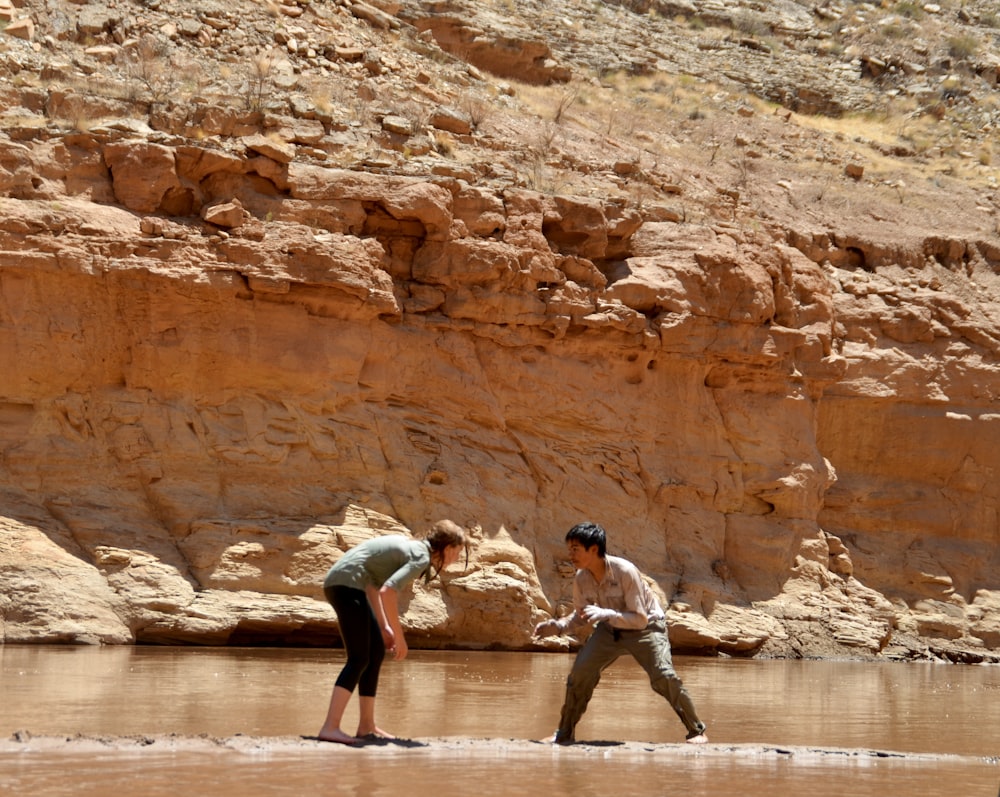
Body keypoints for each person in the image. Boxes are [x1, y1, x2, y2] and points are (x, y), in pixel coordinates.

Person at [533, 521, 708, 745]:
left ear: (593, 549)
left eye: (575, 549)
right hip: (610, 629)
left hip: (646, 629)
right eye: (570, 549)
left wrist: (605, 613)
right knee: (580, 673)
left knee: (663, 676)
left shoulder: (625, 571)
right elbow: (580, 616)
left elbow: (639, 618)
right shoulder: (581, 578)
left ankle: (697, 731)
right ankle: (564, 734)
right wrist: (557, 626)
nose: (570, 554)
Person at [317, 519, 468, 745]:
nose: (456, 559)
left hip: (348, 583)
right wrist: (400, 637)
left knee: (375, 652)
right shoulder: (421, 556)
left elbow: (374, 584)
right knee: (359, 658)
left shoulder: (412, 548)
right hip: (346, 585)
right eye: (457, 553)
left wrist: (384, 625)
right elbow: (389, 591)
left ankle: (366, 726)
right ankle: (330, 727)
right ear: (447, 548)